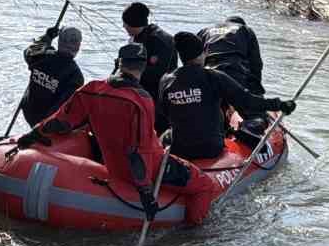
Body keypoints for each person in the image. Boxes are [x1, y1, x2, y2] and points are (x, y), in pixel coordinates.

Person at [14, 43, 222, 225]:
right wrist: (146, 194)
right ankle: (195, 236)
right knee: (204, 185)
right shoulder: (141, 100)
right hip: (147, 169)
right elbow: (138, 150)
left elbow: (59, 121)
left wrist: (31, 136)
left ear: (119, 62)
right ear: (144, 67)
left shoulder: (91, 89)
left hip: (112, 164)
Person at [158, 32, 294, 161]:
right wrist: (280, 105)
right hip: (211, 148)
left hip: (178, 148)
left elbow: (163, 112)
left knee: (167, 133)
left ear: (181, 56)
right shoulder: (214, 77)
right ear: (204, 52)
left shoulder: (166, 80)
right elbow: (248, 101)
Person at [21, 24, 84, 127]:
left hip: (29, 111)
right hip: (45, 120)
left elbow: (29, 50)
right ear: (78, 47)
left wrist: (47, 37)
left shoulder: (42, 54)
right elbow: (64, 105)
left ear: (59, 42)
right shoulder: (75, 75)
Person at [198, 15, 265, 94]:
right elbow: (256, 63)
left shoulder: (205, 31)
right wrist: (256, 91)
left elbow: (193, 56)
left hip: (209, 74)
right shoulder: (246, 29)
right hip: (235, 75)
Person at [121, 2, 175, 98]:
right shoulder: (137, 37)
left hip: (159, 93)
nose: (123, 26)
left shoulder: (160, 41)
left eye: (125, 23)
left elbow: (159, 75)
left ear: (134, 24)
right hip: (142, 88)